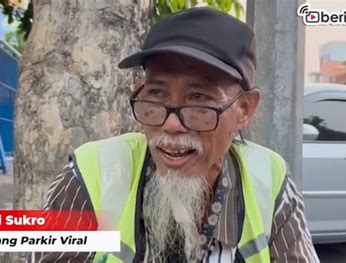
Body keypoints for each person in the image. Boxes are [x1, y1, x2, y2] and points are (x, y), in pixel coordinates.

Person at [34, 7, 319, 263]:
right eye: (156, 94)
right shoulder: (91, 172)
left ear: (244, 109)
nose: (171, 124)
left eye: (199, 98)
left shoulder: (268, 179)